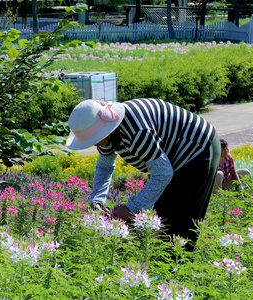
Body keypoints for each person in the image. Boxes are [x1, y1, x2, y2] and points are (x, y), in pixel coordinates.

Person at [66, 98, 220, 250]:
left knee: (179, 224)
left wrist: (131, 207)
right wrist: (97, 201)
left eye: (94, 139)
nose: (93, 143)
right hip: (172, 160)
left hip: (198, 149)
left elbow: (163, 173)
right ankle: (165, 269)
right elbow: (105, 166)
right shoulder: (108, 134)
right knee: (163, 218)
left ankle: (179, 270)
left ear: (105, 131)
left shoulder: (136, 131)